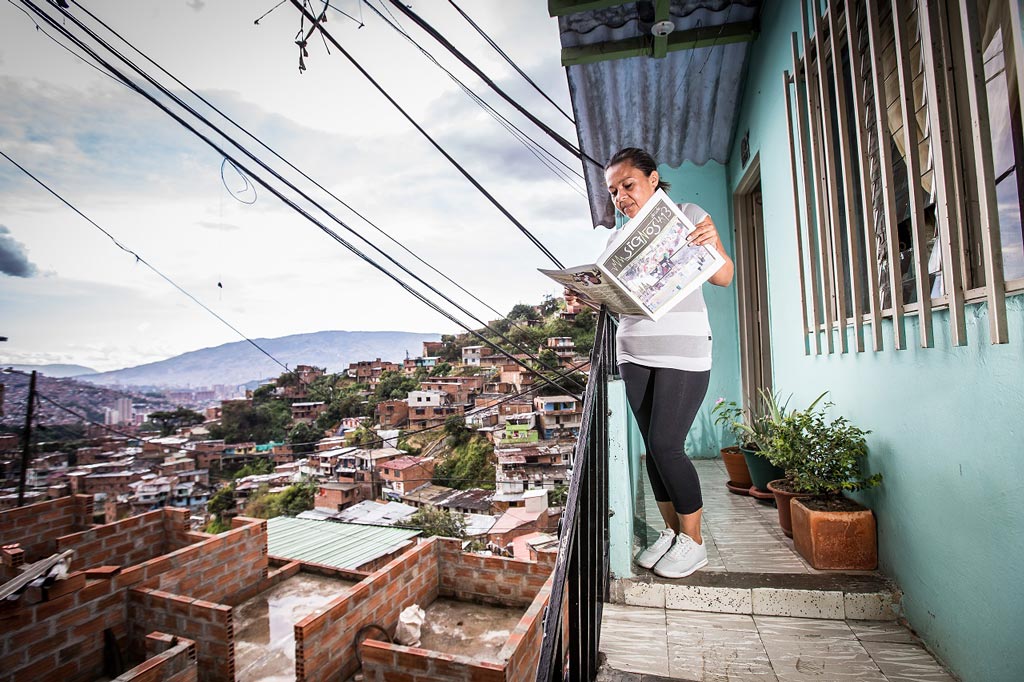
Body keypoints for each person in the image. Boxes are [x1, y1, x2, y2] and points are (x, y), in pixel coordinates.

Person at [603, 147, 734, 578]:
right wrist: (587, 295)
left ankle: (695, 543)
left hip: (683, 350)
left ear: (653, 180)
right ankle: (672, 533)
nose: (621, 197)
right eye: (613, 191)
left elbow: (723, 276)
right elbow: (616, 303)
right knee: (653, 453)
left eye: (628, 185)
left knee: (666, 446)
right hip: (634, 352)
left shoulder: (687, 214)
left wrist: (712, 242)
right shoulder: (615, 241)